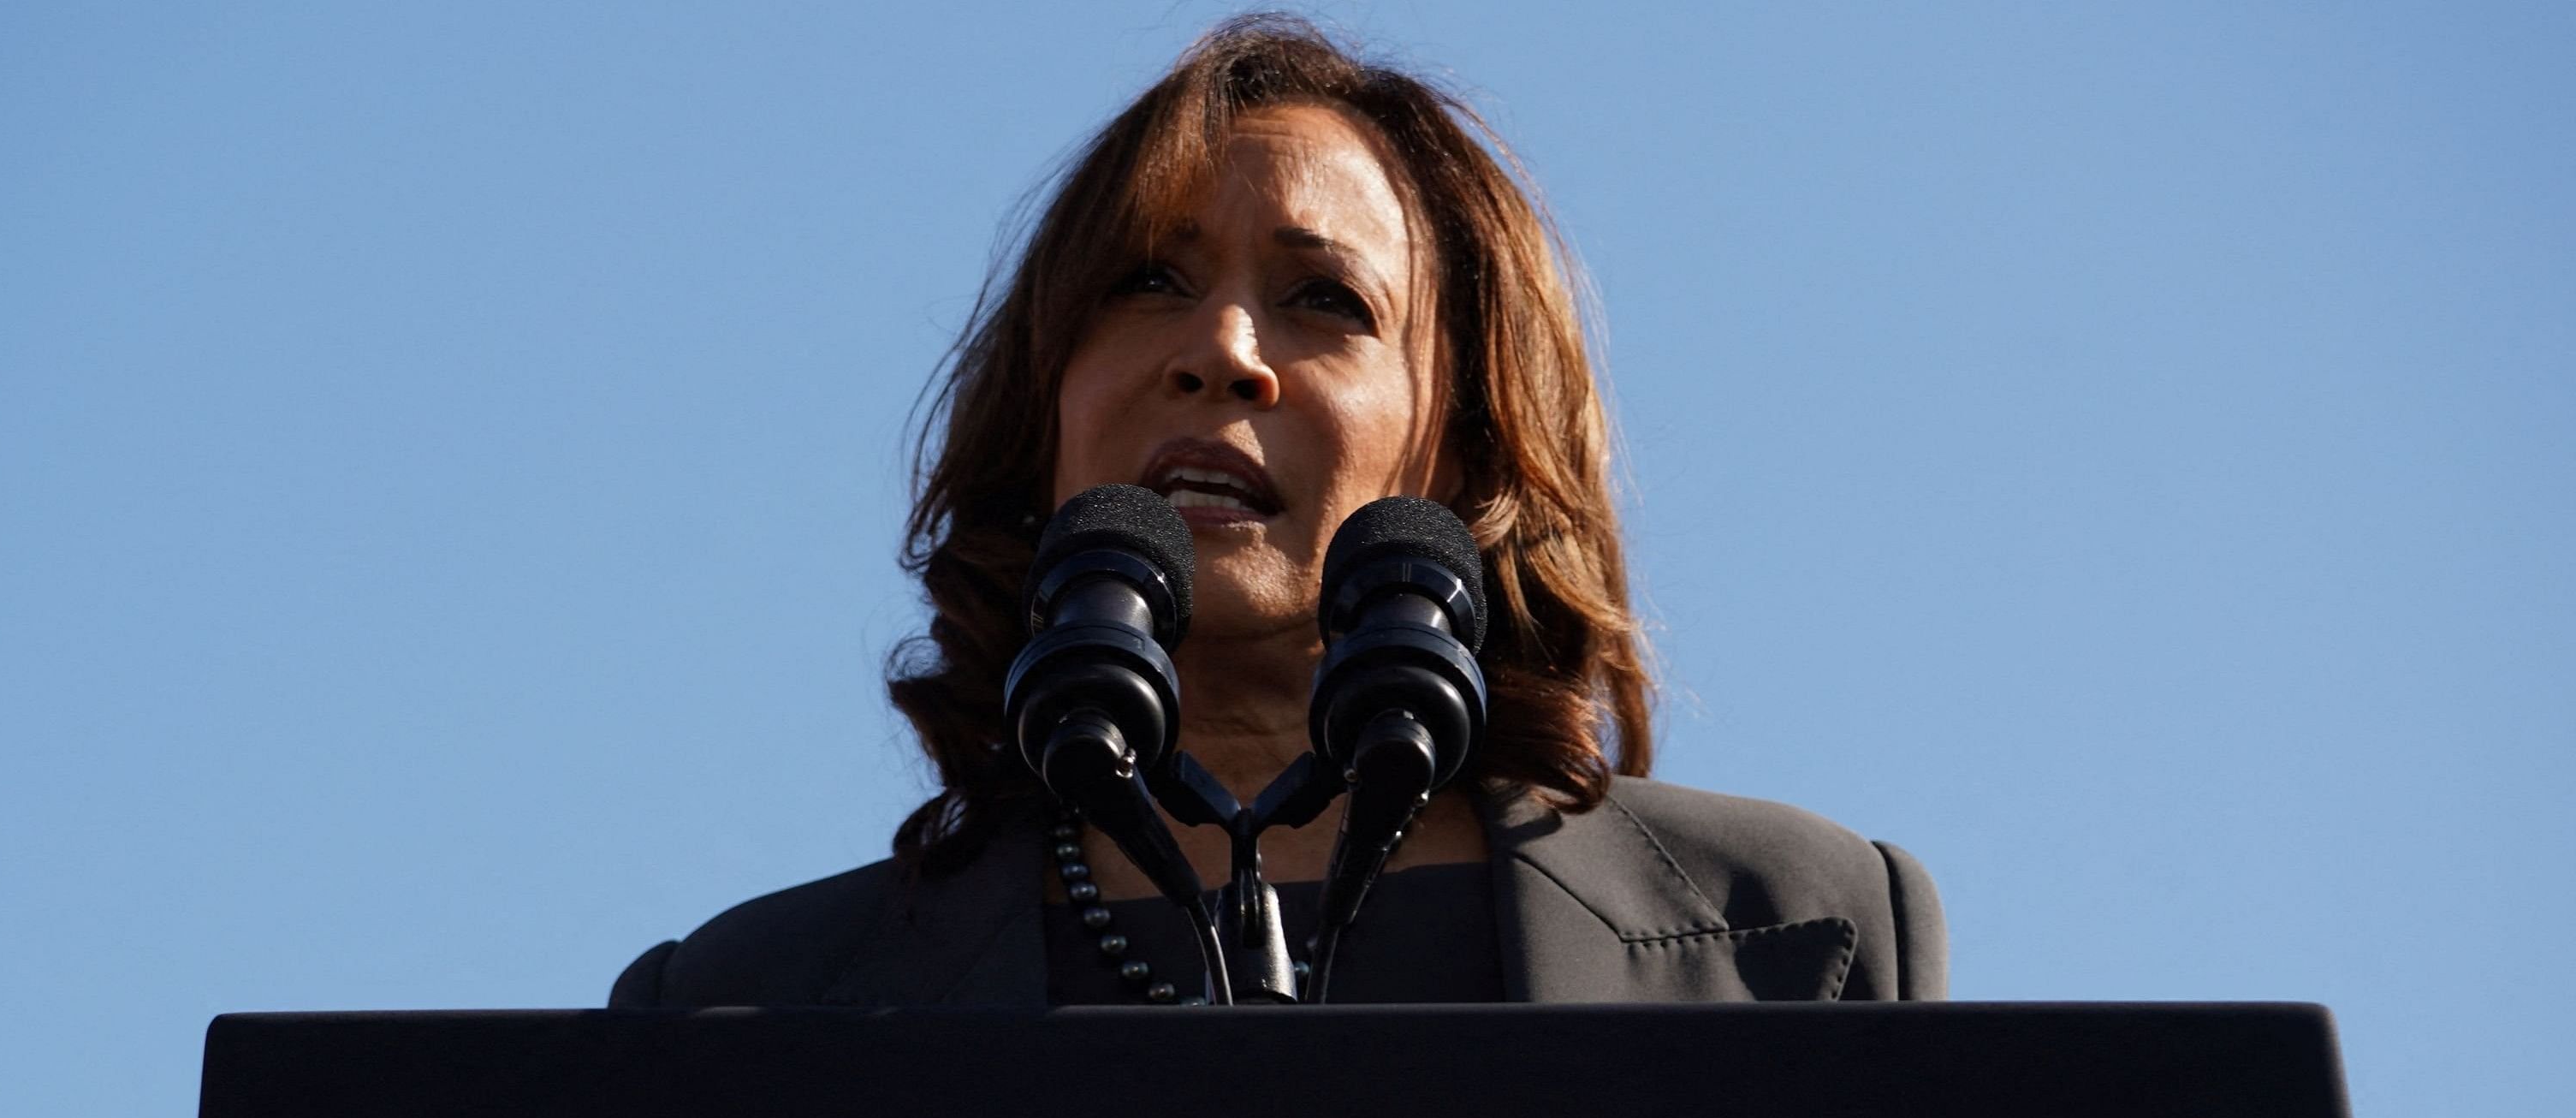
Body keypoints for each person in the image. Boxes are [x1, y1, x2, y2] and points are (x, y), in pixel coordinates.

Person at [612, 17, 1944, 1010]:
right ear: (1046, 412)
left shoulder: (1800, 939)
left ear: (1469, 451)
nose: (1222, 350)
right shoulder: (751, 1007)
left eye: (1326, 302)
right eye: (1145, 281)